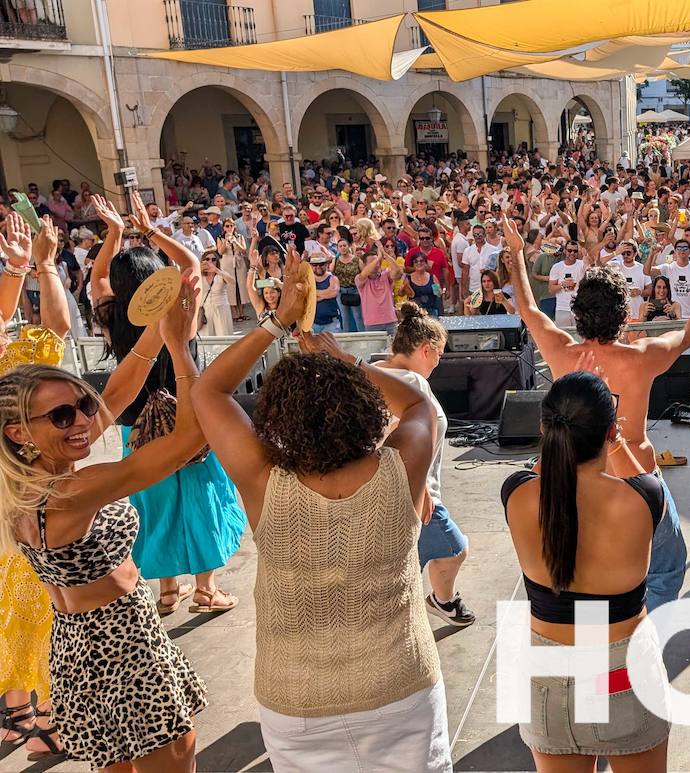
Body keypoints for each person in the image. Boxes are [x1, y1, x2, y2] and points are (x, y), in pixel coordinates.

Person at [191, 259, 450, 771]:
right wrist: (344, 361)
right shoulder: (402, 469)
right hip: (401, 688)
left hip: (296, 702)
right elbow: (419, 407)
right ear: (364, 406)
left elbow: (207, 391)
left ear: (276, 419)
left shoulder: (264, 482)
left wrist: (276, 322)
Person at [1, 274, 208, 772]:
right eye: (62, 416)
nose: (82, 422)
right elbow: (188, 439)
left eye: (82, 405)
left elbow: (117, 391)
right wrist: (180, 349)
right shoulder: (72, 493)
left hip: (77, 649)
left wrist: (157, 327)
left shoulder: (23, 482)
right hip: (124, 644)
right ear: (19, 432)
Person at [503, 218, 690, 611]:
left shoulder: (561, 353)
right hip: (636, 477)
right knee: (666, 567)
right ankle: (646, 630)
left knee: (590, 570)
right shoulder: (643, 356)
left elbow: (529, 307)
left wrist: (518, 252)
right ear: (624, 314)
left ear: (579, 314)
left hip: (578, 481)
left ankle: (605, 630)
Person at [500, 371, 671, 771]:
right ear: (610, 432)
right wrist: (616, 437)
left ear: (544, 429)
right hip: (621, 673)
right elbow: (642, 476)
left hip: (546, 674)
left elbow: (549, 472)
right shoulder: (645, 498)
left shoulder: (516, 493)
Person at [90, 196, 245, 616]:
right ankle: (207, 590)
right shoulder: (180, 311)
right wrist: (151, 231)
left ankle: (168, 591)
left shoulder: (111, 315)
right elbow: (191, 263)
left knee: (154, 503)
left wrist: (115, 232)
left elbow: (98, 275)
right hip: (187, 420)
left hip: (136, 424)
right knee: (200, 500)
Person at [0, 212, 70, 762]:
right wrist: (40, 267)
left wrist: (22, 268)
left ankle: (17, 714)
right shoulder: (19, 374)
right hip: (25, 501)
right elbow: (59, 329)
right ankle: (42, 718)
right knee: (35, 602)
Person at [372, 302, 476, 627]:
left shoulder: (375, 371)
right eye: (439, 354)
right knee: (454, 548)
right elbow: (391, 438)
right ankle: (438, 603)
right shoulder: (411, 383)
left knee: (408, 563)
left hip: (395, 493)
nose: (438, 362)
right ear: (426, 349)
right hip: (414, 495)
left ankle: (438, 602)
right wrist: (421, 489)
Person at [199, 251, 235, 336]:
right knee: (206, 336)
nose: (210, 261)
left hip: (221, 308)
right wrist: (199, 269)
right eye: (207, 259)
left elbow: (232, 282)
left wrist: (216, 270)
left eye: (213, 259)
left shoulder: (221, 274)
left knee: (223, 335)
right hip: (205, 309)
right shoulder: (200, 275)